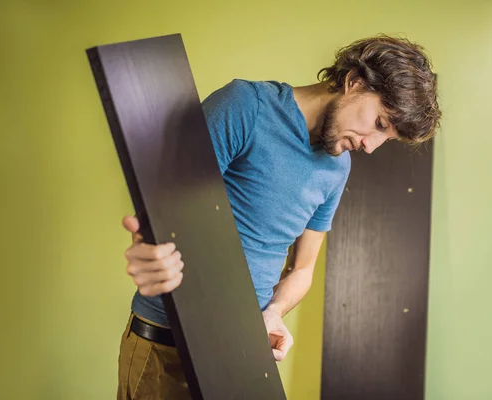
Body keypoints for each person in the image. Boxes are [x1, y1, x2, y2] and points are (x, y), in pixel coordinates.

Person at [116, 34, 441, 399]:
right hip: (169, 345)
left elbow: (302, 270)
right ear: (355, 82)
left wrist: (275, 312)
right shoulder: (246, 107)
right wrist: (147, 251)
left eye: (387, 139)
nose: (371, 145)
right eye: (380, 123)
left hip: (242, 353)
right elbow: (165, 212)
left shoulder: (337, 169)